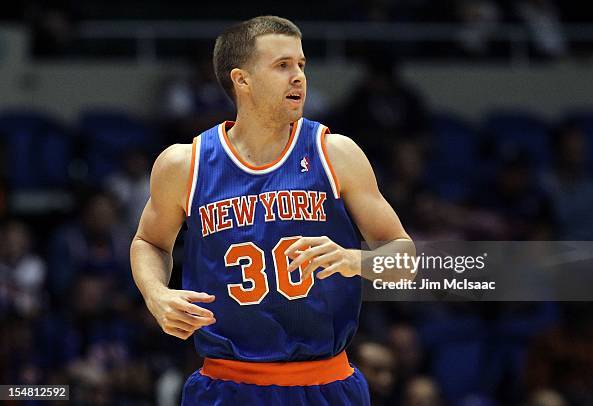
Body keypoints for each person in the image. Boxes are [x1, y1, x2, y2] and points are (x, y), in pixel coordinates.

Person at [130, 15, 414, 405]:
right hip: (226, 385)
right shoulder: (185, 164)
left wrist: (356, 260)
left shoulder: (335, 153)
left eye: (301, 65)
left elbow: (405, 259)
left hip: (326, 382)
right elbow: (149, 241)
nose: (298, 76)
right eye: (282, 66)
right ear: (241, 79)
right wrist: (156, 294)